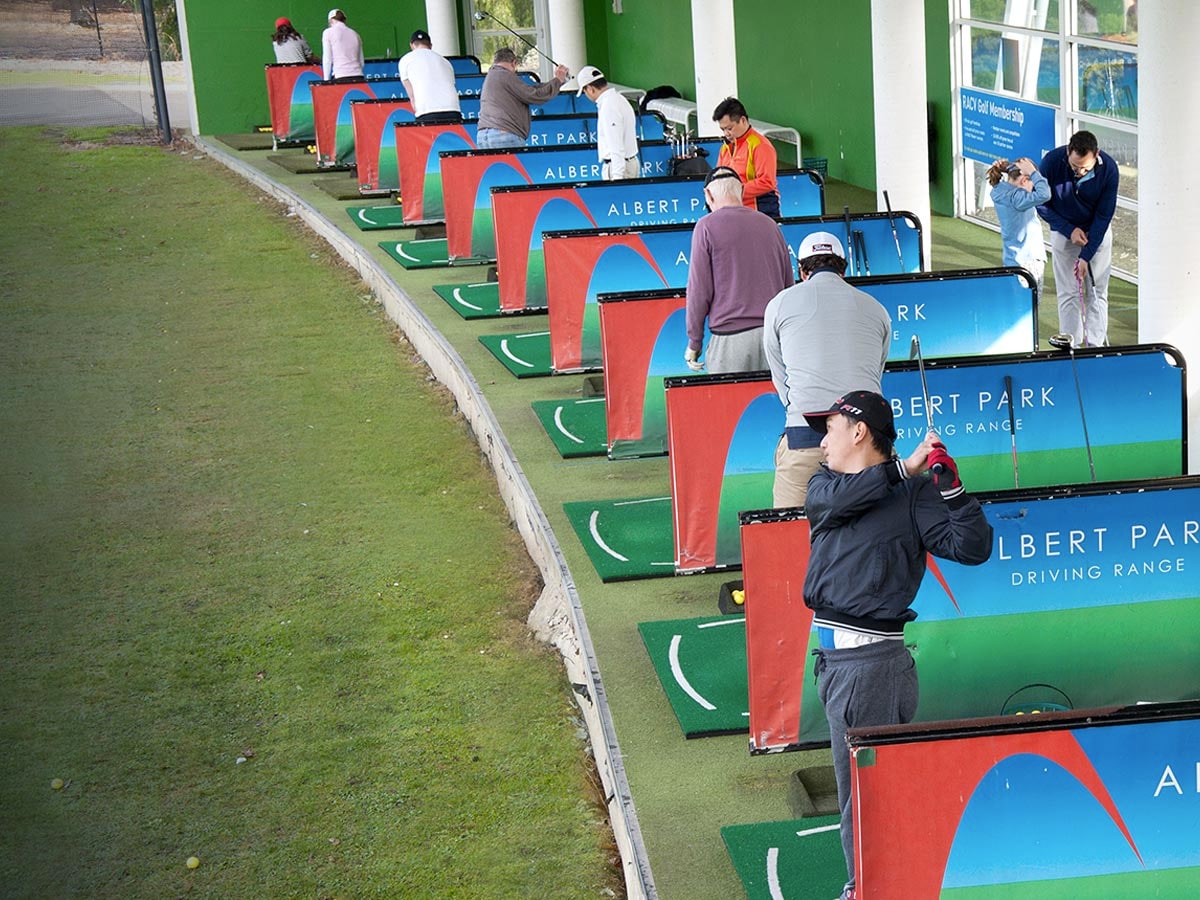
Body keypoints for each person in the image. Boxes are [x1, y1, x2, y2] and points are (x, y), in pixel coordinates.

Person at [801, 390, 993, 900]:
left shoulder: (914, 496)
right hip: (838, 663)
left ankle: (863, 890)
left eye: (831, 429)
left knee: (866, 793)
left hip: (871, 665)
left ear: (859, 431)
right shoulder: (826, 485)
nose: (823, 441)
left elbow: (973, 548)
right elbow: (836, 501)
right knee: (863, 790)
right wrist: (905, 470)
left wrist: (952, 491)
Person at [762, 232, 891, 508]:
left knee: (791, 533)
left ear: (801, 270)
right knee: (877, 532)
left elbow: (779, 374)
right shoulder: (877, 309)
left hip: (804, 436)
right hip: (865, 439)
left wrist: (798, 408)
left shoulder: (779, 303)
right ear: (843, 269)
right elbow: (875, 374)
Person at [684, 167, 794, 374]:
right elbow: (789, 285)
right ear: (742, 191)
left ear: (707, 194)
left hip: (730, 340)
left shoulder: (705, 227)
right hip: (775, 338)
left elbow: (699, 291)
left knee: (729, 406)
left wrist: (694, 341)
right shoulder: (770, 224)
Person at [1037, 130, 1119, 347]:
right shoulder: (1051, 163)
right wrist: (1068, 230)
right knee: (1069, 292)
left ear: (1097, 154)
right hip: (1064, 232)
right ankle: (1070, 345)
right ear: (1067, 152)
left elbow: (1104, 216)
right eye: (1075, 167)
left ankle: (1095, 346)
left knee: (1097, 291)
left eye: (1085, 168)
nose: (1080, 172)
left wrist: (1086, 256)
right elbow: (1041, 204)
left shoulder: (1109, 169)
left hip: (1097, 232)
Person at [476, 48, 570, 149]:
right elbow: (534, 95)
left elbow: (530, 89)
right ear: (513, 63)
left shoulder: (492, 76)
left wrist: (557, 82)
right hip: (505, 134)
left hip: (483, 137)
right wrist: (558, 80)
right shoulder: (506, 75)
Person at [987, 156, 1050, 292]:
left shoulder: (999, 190)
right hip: (1029, 261)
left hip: (1011, 259)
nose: (1032, 189)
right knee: (1031, 306)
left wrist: (1008, 168)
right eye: (1032, 183)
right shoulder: (1018, 198)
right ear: (1025, 180)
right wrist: (1033, 172)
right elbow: (1045, 194)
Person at [712, 97, 780, 217]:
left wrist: (735, 191)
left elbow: (767, 182)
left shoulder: (760, 145)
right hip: (733, 211)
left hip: (760, 211)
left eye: (729, 128)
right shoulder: (725, 149)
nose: (726, 134)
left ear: (743, 120)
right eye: (723, 130)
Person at [576, 65, 639, 181]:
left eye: (585, 91)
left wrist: (617, 179)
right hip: (629, 164)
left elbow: (615, 145)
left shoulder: (609, 107)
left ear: (590, 89)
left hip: (618, 169)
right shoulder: (620, 99)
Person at [398, 29, 462, 124]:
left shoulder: (405, 60)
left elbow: (412, 96)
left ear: (411, 45)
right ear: (430, 46)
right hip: (452, 108)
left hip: (427, 110)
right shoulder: (445, 61)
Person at [322, 9, 364, 83]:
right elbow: (361, 62)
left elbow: (327, 59)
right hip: (359, 76)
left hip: (340, 76)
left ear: (331, 20)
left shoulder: (328, 32)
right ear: (344, 20)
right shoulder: (355, 34)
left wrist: (326, 80)